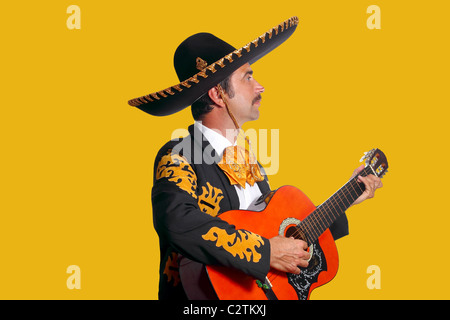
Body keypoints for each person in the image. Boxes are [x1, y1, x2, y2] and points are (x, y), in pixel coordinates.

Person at [128, 16, 383, 300]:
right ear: (217, 93)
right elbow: (176, 220)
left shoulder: (251, 164)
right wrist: (265, 252)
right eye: (248, 77)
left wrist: (347, 197)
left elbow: (284, 239)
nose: (260, 87)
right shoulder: (178, 154)